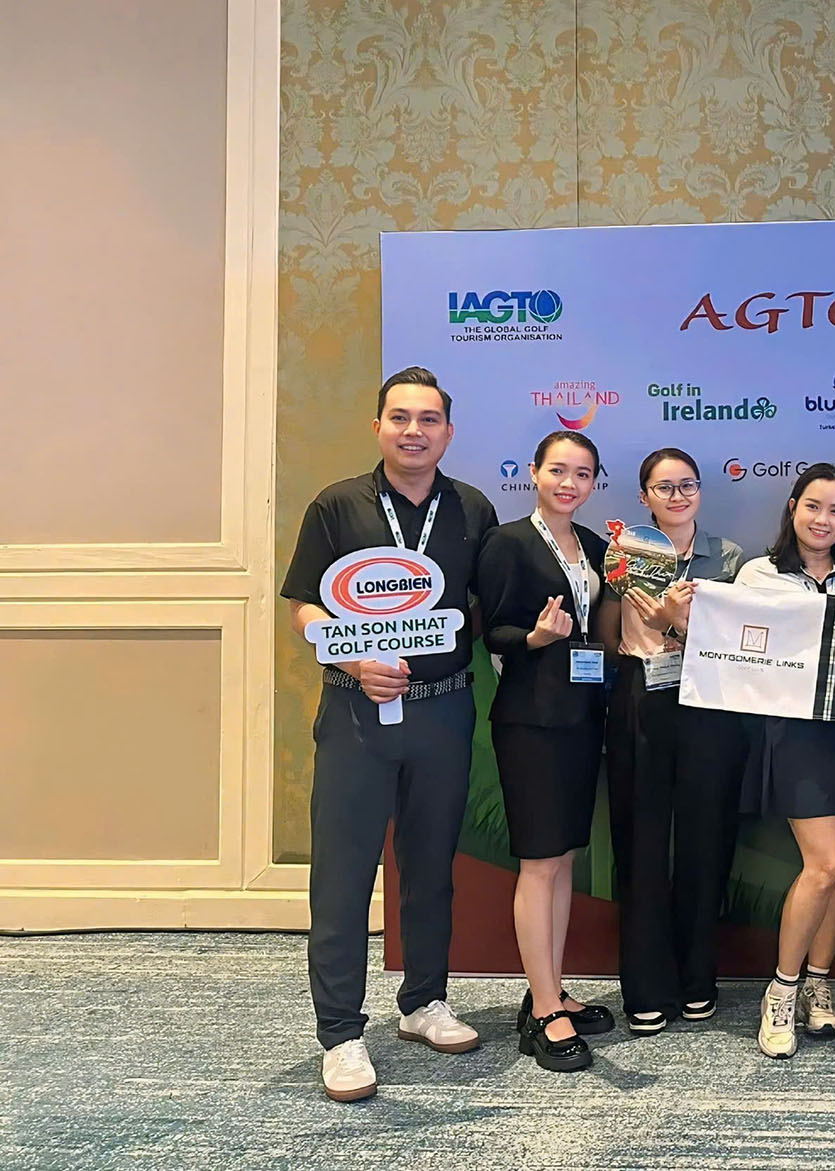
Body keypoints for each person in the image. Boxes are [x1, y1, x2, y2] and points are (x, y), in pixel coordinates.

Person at [280, 366, 497, 1102]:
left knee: (431, 865)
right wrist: (353, 656)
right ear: (377, 426)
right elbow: (303, 606)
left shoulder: (471, 508)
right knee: (342, 876)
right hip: (356, 714)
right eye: (400, 417)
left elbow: (486, 605)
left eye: (428, 419)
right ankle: (340, 1033)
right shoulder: (337, 504)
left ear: (448, 433)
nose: (413, 431)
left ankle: (424, 1001)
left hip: (444, 710)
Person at [735, 464, 835, 1059]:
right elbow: (738, 652)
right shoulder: (758, 574)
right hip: (794, 733)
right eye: (813, 507)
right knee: (822, 865)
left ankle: (817, 986)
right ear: (792, 508)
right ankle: (780, 991)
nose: (823, 520)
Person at [475, 430, 615, 1071]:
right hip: (530, 721)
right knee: (539, 862)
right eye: (558, 470)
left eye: (582, 474)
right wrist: (534, 637)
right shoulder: (508, 541)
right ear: (533, 472)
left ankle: (550, 991)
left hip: (582, 716)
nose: (569, 483)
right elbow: (493, 631)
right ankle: (543, 1010)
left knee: (563, 858)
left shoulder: (595, 546)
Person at [597, 448, 747, 1035]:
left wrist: (683, 624)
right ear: (644, 497)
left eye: (688, 485)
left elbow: (739, 641)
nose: (677, 496)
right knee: (641, 843)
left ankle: (697, 977)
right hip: (643, 694)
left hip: (710, 700)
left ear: (701, 491)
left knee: (706, 840)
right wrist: (654, 626)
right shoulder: (622, 552)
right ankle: (645, 984)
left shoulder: (727, 556)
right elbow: (607, 637)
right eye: (664, 487)